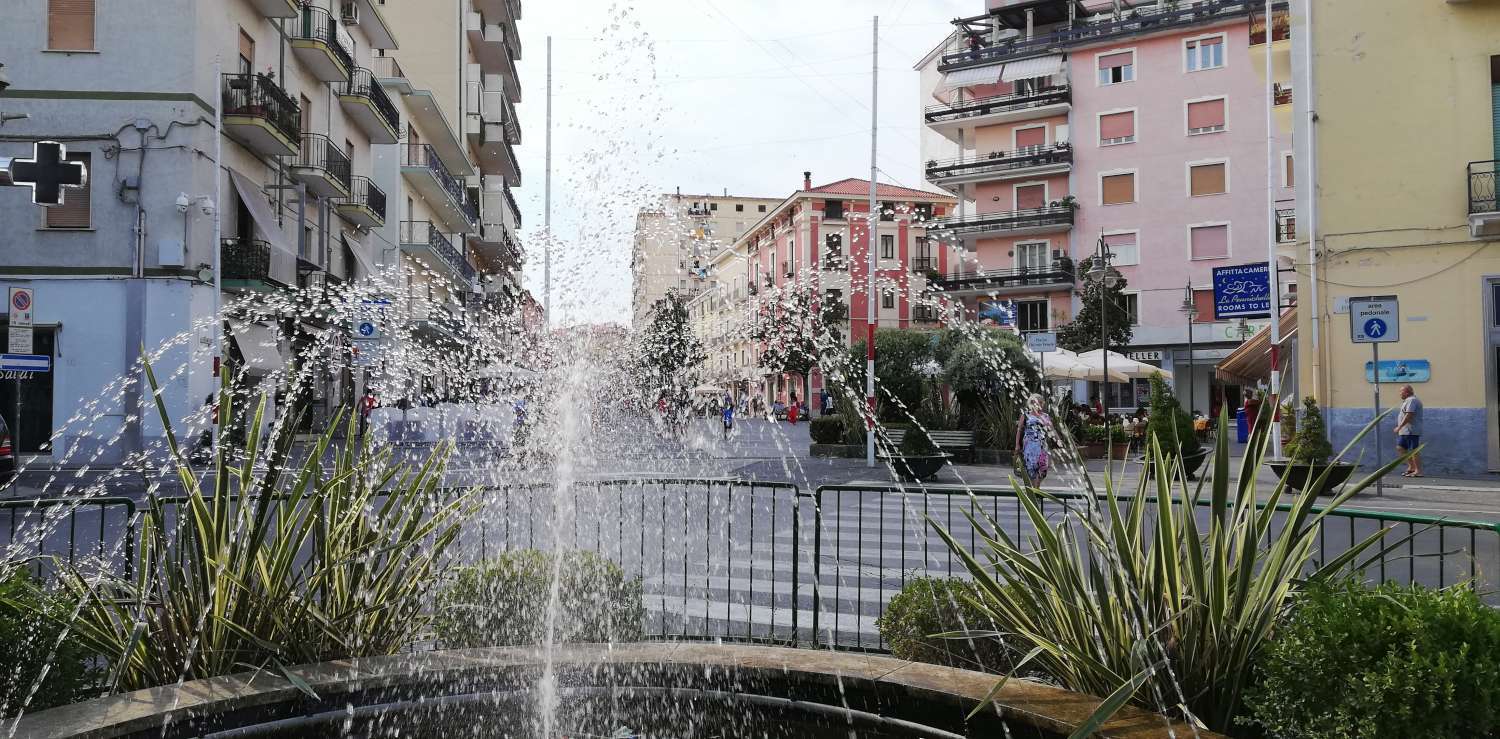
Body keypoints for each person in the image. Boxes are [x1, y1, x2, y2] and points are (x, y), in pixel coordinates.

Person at [1015, 393, 1053, 485]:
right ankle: (1034, 493)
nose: (1040, 404)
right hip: (1030, 447)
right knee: (1031, 470)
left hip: (1042, 446)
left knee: (1042, 470)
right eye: (1037, 402)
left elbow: (1052, 430)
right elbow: (1019, 430)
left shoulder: (1045, 416)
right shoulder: (1026, 415)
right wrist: (1017, 444)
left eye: (1041, 402)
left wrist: (1059, 440)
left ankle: (1036, 490)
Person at [1396, 384, 1423, 477]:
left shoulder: (1412, 400)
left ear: (1407, 392)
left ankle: (1418, 471)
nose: (1400, 393)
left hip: (1411, 430)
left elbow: (1409, 415)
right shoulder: (1407, 401)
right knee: (1400, 447)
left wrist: (1399, 426)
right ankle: (1411, 467)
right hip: (1405, 430)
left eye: (1401, 391)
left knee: (1413, 450)